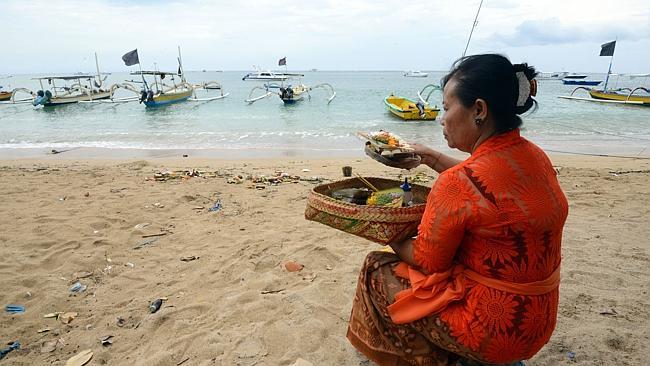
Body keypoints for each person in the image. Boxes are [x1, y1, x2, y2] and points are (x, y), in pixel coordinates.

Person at [347, 54, 569, 366]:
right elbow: (485, 182)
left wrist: (388, 231)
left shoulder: (458, 183)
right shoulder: (536, 158)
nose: (441, 118)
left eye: (448, 107)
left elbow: (428, 262)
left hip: (493, 331)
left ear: (478, 110)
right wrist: (430, 158)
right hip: (538, 320)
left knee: (376, 268)